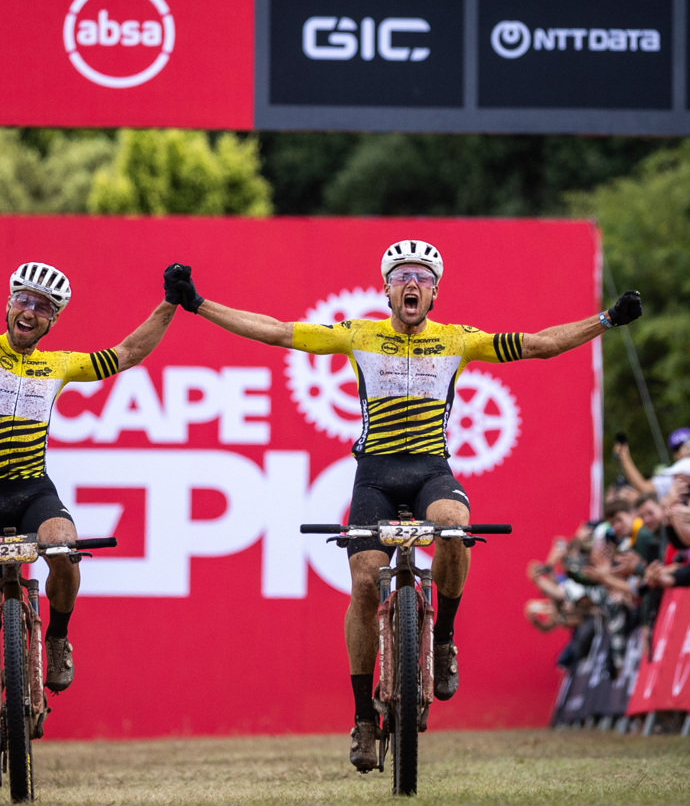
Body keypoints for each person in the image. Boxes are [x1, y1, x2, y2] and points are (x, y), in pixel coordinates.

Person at [164, 243, 642, 772]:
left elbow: (539, 345)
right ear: (387, 290)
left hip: (430, 473)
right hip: (375, 477)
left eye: (422, 277)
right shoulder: (358, 334)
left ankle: (444, 640)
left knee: (455, 529)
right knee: (365, 584)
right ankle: (363, 719)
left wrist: (606, 319)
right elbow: (276, 331)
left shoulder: (459, 340)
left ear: (434, 293)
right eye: (401, 277)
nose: (411, 284)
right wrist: (198, 304)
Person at [0, 174, 178, 786]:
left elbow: (127, 354)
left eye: (44, 307)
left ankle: (57, 637)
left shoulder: (60, 365)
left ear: (54, 321)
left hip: (33, 490)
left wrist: (169, 303)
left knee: (64, 547)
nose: (31, 311)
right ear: (8, 304)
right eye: (24, 300)